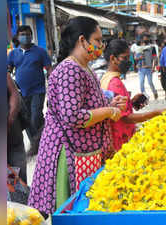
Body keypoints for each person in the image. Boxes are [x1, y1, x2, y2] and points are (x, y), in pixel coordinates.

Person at [28, 16, 127, 215]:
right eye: (98, 40)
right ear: (82, 40)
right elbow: (73, 117)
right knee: (68, 209)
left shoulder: (83, 67)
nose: (101, 46)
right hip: (69, 153)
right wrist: (108, 111)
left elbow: (85, 105)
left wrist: (109, 104)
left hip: (83, 151)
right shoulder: (69, 70)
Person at [100, 39, 164, 151]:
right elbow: (126, 118)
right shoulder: (115, 83)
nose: (128, 61)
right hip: (119, 138)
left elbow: (114, 107)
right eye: (124, 58)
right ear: (113, 58)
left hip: (113, 135)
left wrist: (131, 102)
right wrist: (155, 113)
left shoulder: (107, 77)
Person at [7, 25, 52, 141]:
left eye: (28, 34)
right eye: (22, 35)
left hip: (38, 90)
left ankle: (42, 139)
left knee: (35, 117)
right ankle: (36, 142)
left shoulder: (40, 52)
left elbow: (49, 70)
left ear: (31, 36)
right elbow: (8, 71)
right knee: (26, 119)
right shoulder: (13, 54)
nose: (26, 37)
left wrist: (53, 87)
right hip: (21, 92)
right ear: (17, 37)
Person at [7, 72, 27, 183]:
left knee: (19, 181)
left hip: (12, 135)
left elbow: (15, 95)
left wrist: (10, 119)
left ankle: (21, 197)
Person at [135, 33, 158, 100]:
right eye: (144, 38)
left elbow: (155, 58)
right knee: (141, 82)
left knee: (150, 82)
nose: (145, 39)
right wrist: (139, 58)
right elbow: (135, 58)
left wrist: (154, 67)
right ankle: (144, 96)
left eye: (146, 38)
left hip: (149, 68)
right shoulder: (138, 48)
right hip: (141, 68)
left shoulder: (152, 47)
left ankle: (155, 92)